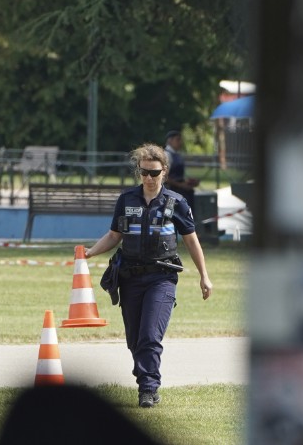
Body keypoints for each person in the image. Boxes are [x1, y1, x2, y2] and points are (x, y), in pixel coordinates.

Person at [84, 144, 212, 409]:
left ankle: (148, 389)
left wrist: (204, 276)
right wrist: (90, 252)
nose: (149, 178)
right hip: (129, 277)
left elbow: (191, 241)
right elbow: (114, 236)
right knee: (134, 339)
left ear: (164, 171)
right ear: (138, 172)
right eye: (144, 173)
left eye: (154, 173)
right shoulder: (126, 200)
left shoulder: (176, 202)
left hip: (162, 278)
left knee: (149, 335)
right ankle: (146, 376)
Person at [164, 130, 199, 213]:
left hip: (180, 191)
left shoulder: (177, 154)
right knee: (169, 215)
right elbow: (164, 176)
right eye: (178, 139)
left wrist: (188, 182)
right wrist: (181, 185)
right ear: (170, 140)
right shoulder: (166, 155)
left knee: (183, 216)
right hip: (170, 192)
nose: (180, 142)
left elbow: (177, 175)